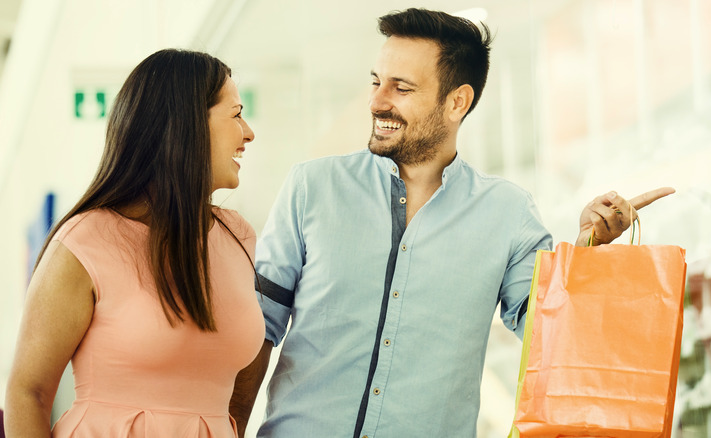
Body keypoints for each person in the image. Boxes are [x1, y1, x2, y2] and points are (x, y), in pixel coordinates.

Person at [231, 8, 675, 438]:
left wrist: (587, 253)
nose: (376, 101)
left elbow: (546, 333)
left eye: (400, 88)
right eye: (375, 82)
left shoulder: (508, 214)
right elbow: (258, 328)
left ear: (456, 102)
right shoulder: (312, 188)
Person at [4, 49, 263, 437]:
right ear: (186, 125)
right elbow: (30, 393)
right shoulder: (85, 240)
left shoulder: (238, 236)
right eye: (236, 113)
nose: (248, 132)